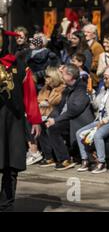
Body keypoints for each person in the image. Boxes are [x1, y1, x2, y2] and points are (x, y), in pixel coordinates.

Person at [0, 28, 42, 211]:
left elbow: (29, 94)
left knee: (11, 164)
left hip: (13, 120)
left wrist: (35, 119)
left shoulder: (19, 63)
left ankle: (6, 204)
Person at [76, 67, 109, 174]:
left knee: (98, 135)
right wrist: (91, 94)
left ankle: (102, 162)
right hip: (99, 120)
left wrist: (103, 122)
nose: (105, 80)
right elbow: (95, 106)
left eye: (107, 78)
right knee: (79, 133)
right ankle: (85, 160)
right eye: (104, 78)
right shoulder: (103, 90)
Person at [45, 64, 95, 170]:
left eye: (63, 74)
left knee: (54, 128)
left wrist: (56, 120)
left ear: (70, 76)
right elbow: (59, 107)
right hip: (68, 118)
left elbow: (74, 110)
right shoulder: (68, 89)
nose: (61, 76)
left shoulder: (81, 88)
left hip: (77, 120)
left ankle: (65, 160)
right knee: (45, 125)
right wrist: (49, 118)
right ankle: (50, 157)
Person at [35, 66, 66, 168]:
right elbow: (38, 100)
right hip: (45, 115)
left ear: (54, 77)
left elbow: (55, 102)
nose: (45, 79)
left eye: (48, 77)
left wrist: (46, 103)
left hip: (59, 116)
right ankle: (49, 157)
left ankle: (63, 158)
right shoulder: (45, 88)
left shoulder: (62, 88)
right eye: (45, 76)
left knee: (48, 125)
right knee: (37, 125)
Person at [83, 24, 104, 89]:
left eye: (88, 32)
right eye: (84, 32)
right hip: (84, 77)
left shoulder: (97, 46)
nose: (85, 34)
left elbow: (98, 63)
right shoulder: (83, 45)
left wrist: (83, 66)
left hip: (93, 80)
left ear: (94, 35)